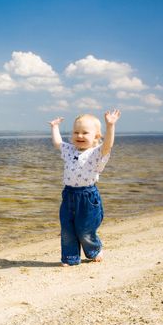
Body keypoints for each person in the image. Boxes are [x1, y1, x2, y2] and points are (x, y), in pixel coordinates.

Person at [48, 109, 121, 266]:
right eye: (76, 132)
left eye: (85, 133)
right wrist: (54, 127)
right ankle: (70, 258)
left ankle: (94, 250)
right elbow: (58, 143)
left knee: (85, 229)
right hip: (68, 195)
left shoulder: (96, 152)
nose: (79, 136)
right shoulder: (69, 150)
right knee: (67, 229)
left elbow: (108, 145)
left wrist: (110, 126)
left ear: (96, 137)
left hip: (87, 196)